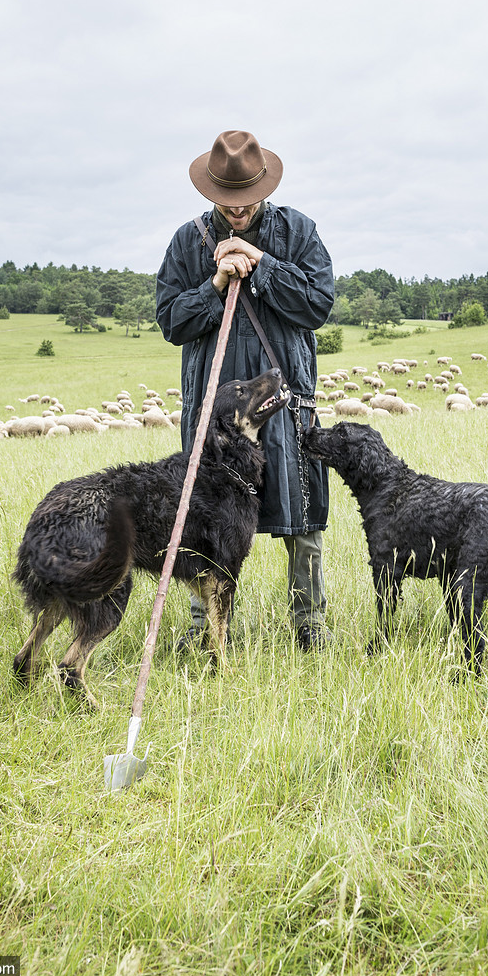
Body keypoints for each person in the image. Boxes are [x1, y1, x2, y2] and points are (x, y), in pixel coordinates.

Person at [156, 129, 335, 651]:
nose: (236, 210)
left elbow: (317, 306)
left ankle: (309, 620)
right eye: (225, 201)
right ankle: (201, 625)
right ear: (210, 191)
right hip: (215, 411)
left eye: (245, 200)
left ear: (264, 187)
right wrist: (213, 286)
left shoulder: (298, 232)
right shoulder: (188, 242)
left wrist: (262, 265)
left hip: (282, 401)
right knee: (204, 514)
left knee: (299, 509)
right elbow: (171, 321)